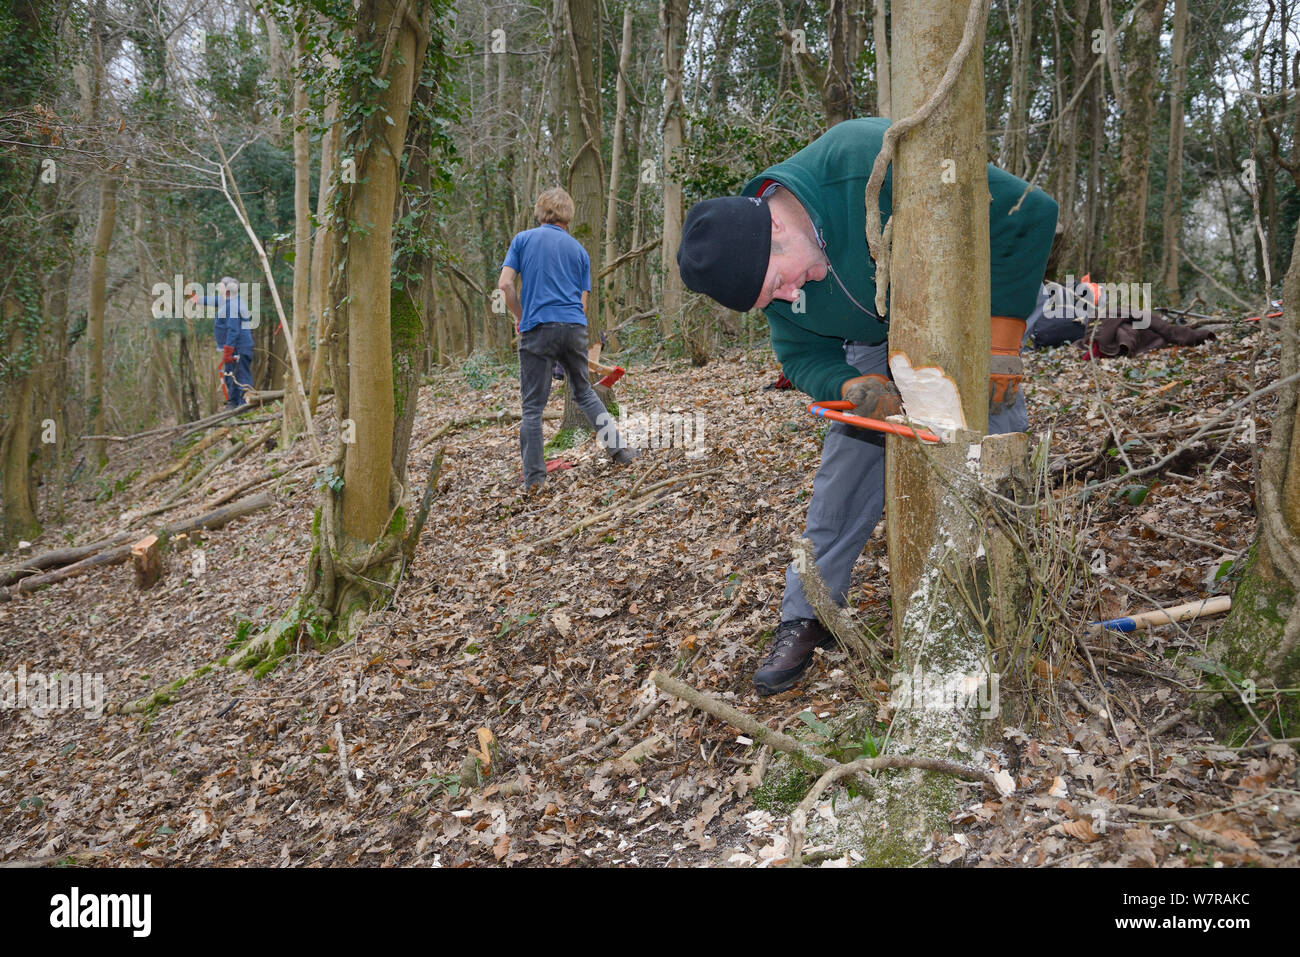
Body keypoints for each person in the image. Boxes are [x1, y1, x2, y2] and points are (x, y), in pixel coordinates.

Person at [676, 118, 1058, 696]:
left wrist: (1000, 341)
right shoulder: (775, 276)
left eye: (779, 283)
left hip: (960, 309)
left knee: (988, 443)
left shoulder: (864, 162)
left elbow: (1028, 212)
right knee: (846, 468)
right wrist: (854, 383)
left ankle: (1012, 595)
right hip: (867, 342)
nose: (788, 296)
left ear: (778, 226)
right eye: (772, 299)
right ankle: (809, 615)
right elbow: (800, 353)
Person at [496, 187, 637, 493]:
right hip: (574, 327)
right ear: (568, 216)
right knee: (584, 392)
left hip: (538, 328)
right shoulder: (579, 251)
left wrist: (521, 316)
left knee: (532, 408)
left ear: (540, 212)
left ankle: (534, 480)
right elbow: (583, 304)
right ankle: (620, 452)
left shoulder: (523, 240)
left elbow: (505, 285)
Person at [189, 277, 254, 408]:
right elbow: (214, 300)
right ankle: (234, 404)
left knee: (241, 378)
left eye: (221, 286)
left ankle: (245, 407)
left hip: (238, 347)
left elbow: (233, 330)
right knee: (231, 376)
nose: (218, 288)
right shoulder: (228, 301)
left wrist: (228, 350)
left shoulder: (233, 306)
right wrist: (197, 299)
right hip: (233, 347)